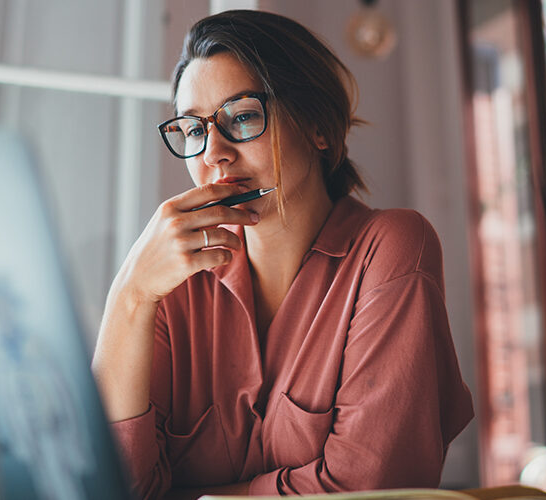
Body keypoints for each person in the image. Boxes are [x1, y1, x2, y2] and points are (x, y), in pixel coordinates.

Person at [92, 9, 473, 499]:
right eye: (193, 130)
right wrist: (130, 295)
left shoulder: (390, 249)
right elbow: (112, 487)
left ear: (317, 126)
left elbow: (366, 487)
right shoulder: (172, 284)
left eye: (243, 117)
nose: (213, 153)